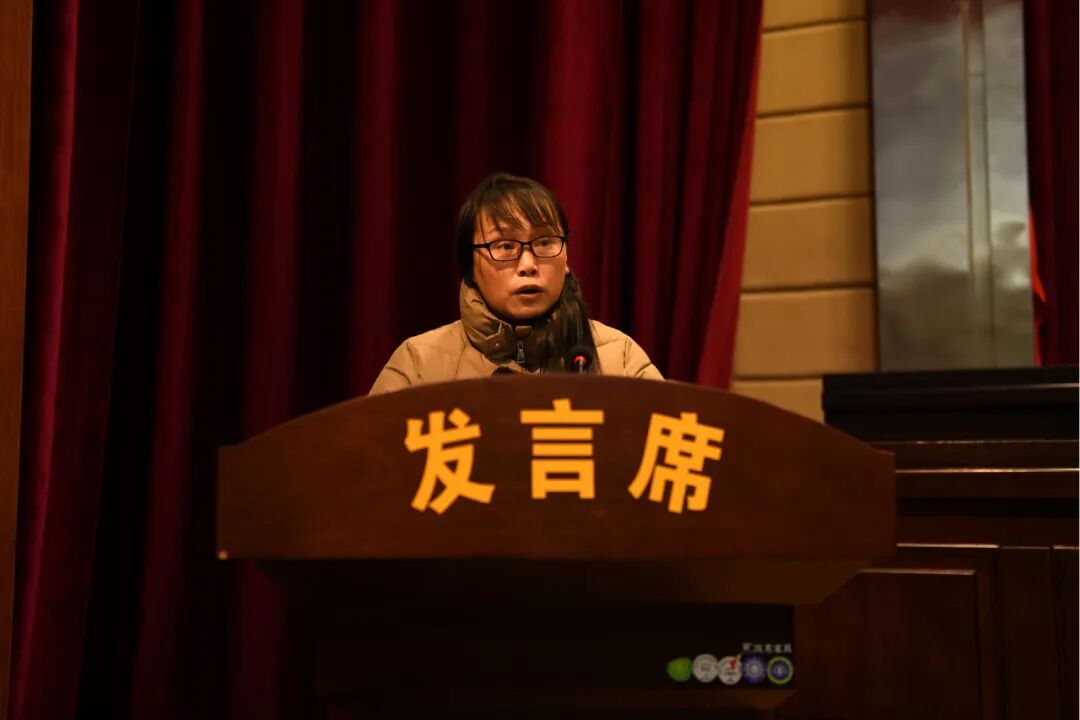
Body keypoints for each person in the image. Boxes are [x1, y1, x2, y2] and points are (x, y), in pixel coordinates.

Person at [369, 172, 662, 394]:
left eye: (545, 242)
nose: (528, 265)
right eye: (505, 247)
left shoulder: (619, 358)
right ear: (470, 267)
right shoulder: (419, 364)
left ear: (566, 258)